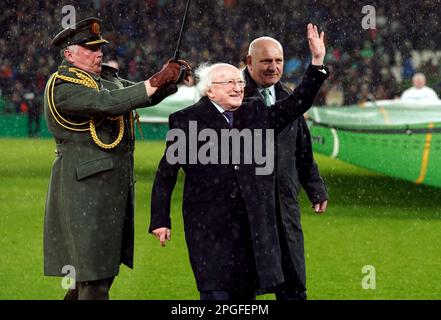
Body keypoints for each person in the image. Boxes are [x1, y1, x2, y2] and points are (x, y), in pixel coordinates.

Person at [149, 23, 328, 300]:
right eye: (229, 83)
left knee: (245, 296)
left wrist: (316, 63)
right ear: (210, 90)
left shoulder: (255, 112)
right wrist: (160, 219)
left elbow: (297, 105)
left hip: (251, 227)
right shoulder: (187, 120)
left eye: (239, 83)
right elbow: (166, 174)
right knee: (216, 294)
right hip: (208, 226)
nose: (238, 87)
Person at [43, 17, 191, 300]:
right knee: (94, 278)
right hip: (84, 194)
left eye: (99, 48)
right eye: (89, 48)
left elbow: (139, 96)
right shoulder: (62, 86)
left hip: (108, 192)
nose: (98, 53)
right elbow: (107, 104)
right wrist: (157, 79)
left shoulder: (104, 80)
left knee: (97, 276)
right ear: (68, 54)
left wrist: (171, 80)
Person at [244, 36, 328, 300]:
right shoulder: (235, 97)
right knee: (244, 285)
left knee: (293, 285)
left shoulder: (287, 96)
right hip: (248, 207)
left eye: (278, 61)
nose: (273, 67)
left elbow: (302, 150)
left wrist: (315, 188)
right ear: (249, 62)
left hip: (284, 203)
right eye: (266, 61)